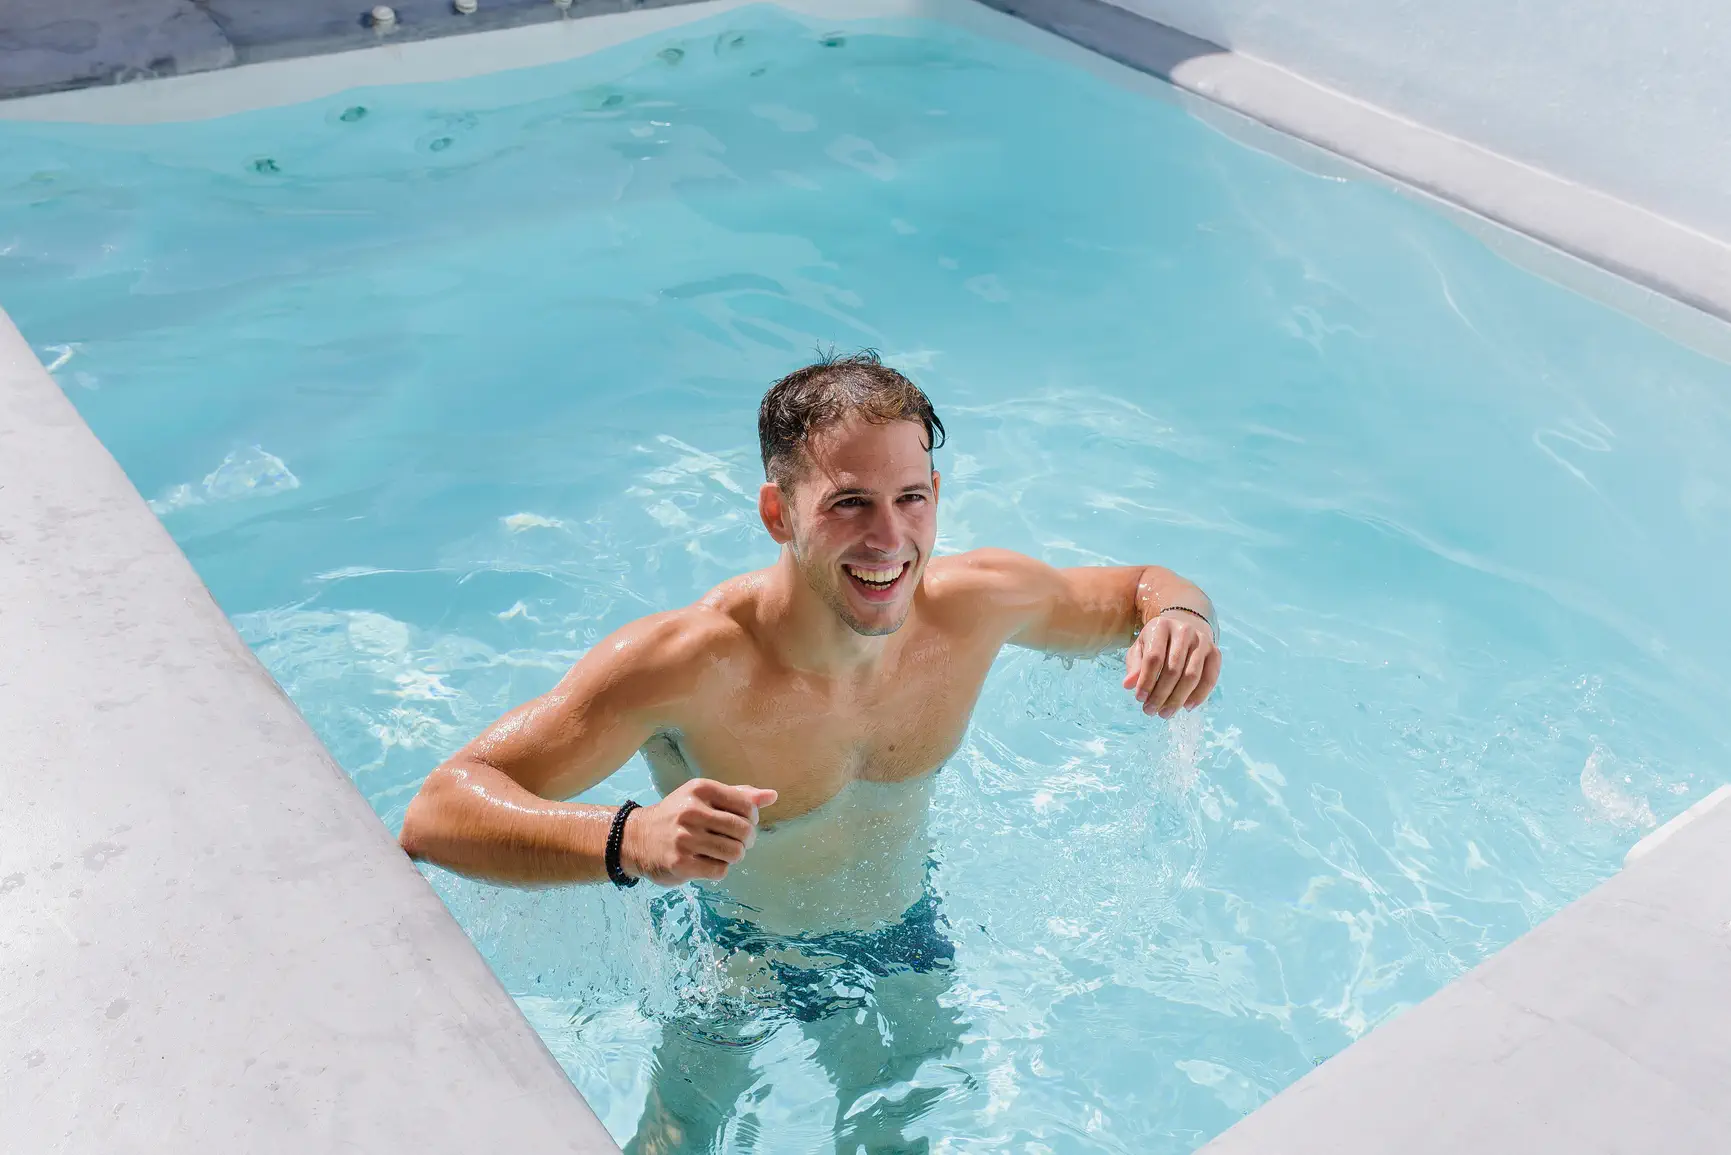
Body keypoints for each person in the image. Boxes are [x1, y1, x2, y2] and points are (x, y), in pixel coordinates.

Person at [399, 351, 1221, 1152]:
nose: (888, 538)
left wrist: (1180, 620)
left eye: (909, 498)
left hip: (905, 936)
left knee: (897, 1137)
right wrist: (631, 836)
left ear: (935, 495)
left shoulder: (976, 604)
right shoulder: (688, 663)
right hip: (732, 962)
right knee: (679, 1142)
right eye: (848, 503)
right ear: (778, 513)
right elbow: (438, 809)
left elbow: (1140, 589)